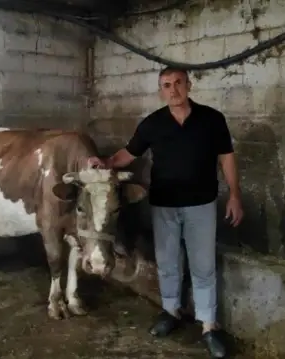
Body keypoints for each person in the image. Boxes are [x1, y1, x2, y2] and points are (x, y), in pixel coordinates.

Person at [91, 66, 243, 358]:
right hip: (164, 204)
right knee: (168, 261)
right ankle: (171, 312)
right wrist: (106, 162)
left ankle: (209, 325)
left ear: (189, 85)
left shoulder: (212, 119)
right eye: (166, 85)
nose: (172, 90)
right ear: (160, 90)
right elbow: (129, 153)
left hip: (201, 203)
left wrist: (235, 194)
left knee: (203, 265)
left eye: (177, 83)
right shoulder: (153, 124)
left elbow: (226, 158)